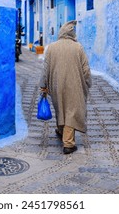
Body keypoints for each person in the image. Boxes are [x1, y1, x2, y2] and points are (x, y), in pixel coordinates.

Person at [39, 20, 92, 154]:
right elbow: (85, 69)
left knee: (61, 107)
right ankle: (68, 143)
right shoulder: (78, 47)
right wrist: (87, 82)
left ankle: (61, 130)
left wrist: (43, 85)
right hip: (74, 85)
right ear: (72, 34)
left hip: (56, 84)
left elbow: (45, 69)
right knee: (71, 110)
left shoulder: (51, 47)